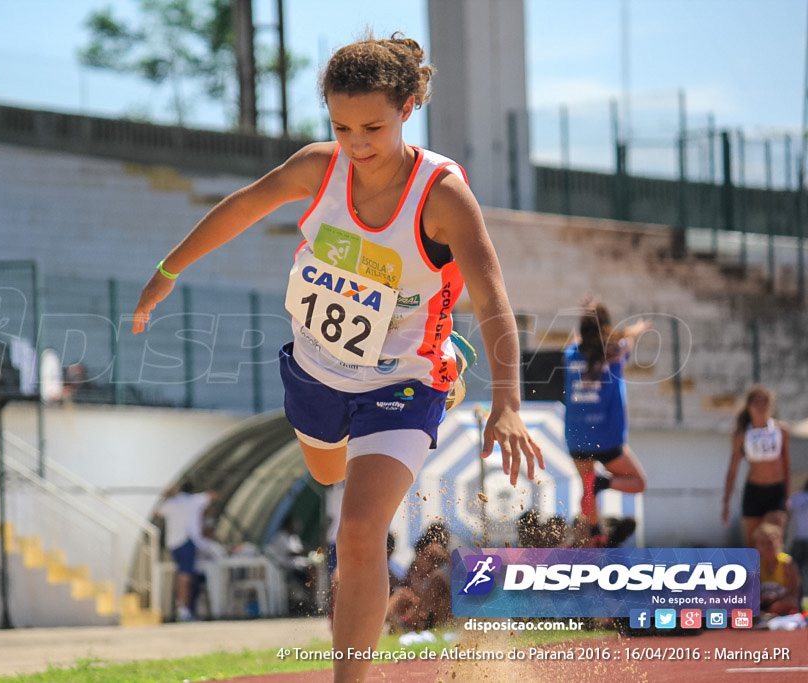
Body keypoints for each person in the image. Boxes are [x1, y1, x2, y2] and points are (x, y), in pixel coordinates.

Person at [132, 33, 542, 681]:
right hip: (317, 367)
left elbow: (493, 299)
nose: (356, 142)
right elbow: (243, 206)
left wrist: (509, 403)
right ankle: (443, 366)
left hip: (403, 379)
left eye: (373, 127)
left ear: (409, 108)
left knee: (357, 531)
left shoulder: (441, 197)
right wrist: (167, 269)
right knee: (324, 473)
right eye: (341, 125)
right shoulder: (319, 168)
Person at [563, 300, 649, 545]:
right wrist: (635, 328)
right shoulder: (615, 352)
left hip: (577, 435)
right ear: (607, 328)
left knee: (587, 489)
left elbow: (579, 341)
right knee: (638, 483)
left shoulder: (570, 354)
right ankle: (605, 481)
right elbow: (626, 341)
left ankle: (595, 533)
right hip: (607, 436)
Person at [722, 385, 791, 546]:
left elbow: (786, 464)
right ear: (749, 406)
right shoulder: (742, 434)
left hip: (776, 492)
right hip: (754, 492)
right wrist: (726, 502)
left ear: (771, 406)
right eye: (757, 402)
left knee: (772, 543)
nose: (761, 406)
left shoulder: (781, 430)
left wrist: (787, 496)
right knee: (753, 548)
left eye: (765, 401)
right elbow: (733, 470)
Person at [153, 481, 218, 622]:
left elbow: (157, 513)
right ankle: (184, 610)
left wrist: (165, 496)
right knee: (185, 577)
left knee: (182, 575)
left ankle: (182, 607)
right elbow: (213, 495)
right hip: (187, 541)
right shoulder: (195, 500)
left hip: (173, 543)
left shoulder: (171, 503)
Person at [752, 522, 801, 617]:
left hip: (782, 602)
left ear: (779, 542)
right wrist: (763, 597)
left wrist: (776, 597)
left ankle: (766, 615)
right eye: (762, 543)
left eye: (770, 542)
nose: (767, 547)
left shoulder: (787, 564)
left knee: (782, 605)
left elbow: (793, 593)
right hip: (764, 603)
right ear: (757, 546)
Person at [788, 479, 808, 608]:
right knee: (795, 573)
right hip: (799, 540)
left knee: (797, 573)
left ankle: (799, 602)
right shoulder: (797, 497)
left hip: (799, 540)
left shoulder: (796, 497)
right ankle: (798, 602)